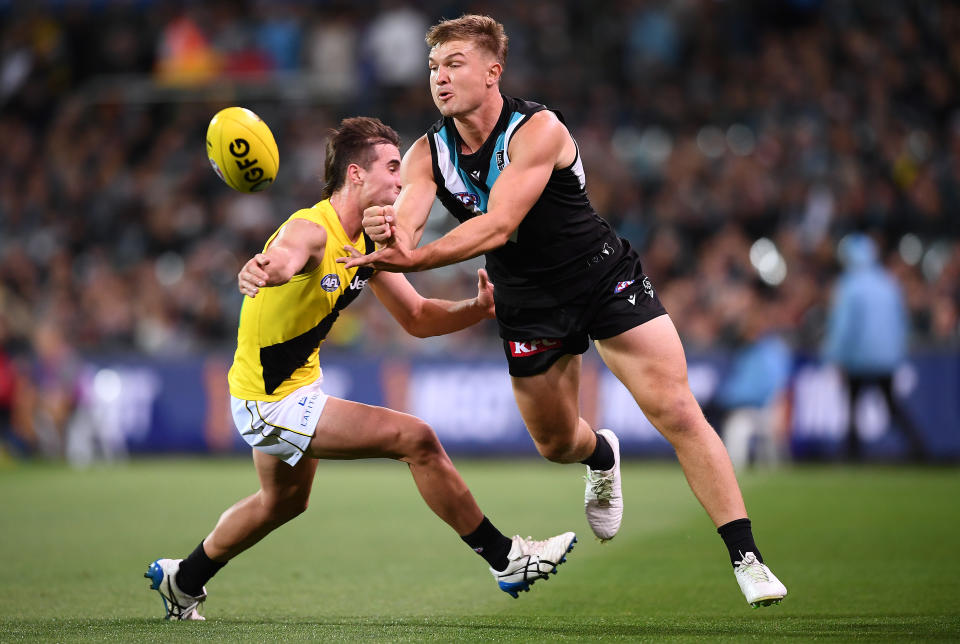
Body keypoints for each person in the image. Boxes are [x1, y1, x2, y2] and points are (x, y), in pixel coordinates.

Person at [342, 15, 787, 608]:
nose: (440, 79)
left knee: (679, 410)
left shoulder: (538, 129)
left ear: (492, 71)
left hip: (601, 279)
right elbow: (408, 223)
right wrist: (382, 228)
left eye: (454, 65)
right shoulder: (428, 152)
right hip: (526, 305)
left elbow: (498, 225)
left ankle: (747, 558)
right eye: (433, 68)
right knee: (555, 443)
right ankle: (601, 454)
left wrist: (410, 258)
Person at [144, 117, 576, 621]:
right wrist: (263, 267)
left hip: (294, 382)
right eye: (392, 169)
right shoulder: (310, 229)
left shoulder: (365, 247)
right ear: (355, 175)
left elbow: (416, 318)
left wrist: (475, 310)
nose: (401, 181)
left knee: (282, 503)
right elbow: (285, 258)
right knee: (416, 439)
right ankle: (506, 559)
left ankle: (183, 580)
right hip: (269, 400)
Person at [822, 233, 927, 462]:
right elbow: (901, 321)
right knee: (891, 406)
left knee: (852, 408)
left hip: (858, 359)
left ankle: (852, 456)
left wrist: (834, 356)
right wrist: (897, 353)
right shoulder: (888, 282)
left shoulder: (850, 285)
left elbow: (844, 327)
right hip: (886, 358)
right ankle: (919, 448)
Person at [715, 294, 793, 469]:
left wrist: (735, 400)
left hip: (767, 408)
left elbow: (775, 385)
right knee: (737, 428)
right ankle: (735, 472)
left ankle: (775, 470)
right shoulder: (746, 353)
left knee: (746, 427)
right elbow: (736, 386)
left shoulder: (773, 350)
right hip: (747, 408)